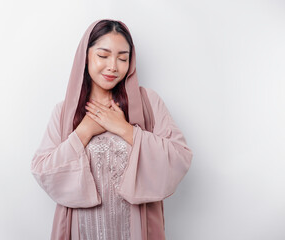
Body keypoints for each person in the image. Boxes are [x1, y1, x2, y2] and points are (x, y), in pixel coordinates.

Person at [30, 18, 193, 240]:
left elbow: (179, 158)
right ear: (85, 57)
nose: (113, 66)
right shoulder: (64, 112)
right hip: (83, 230)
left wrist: (125, 129)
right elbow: (42, 170)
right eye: (103, 56)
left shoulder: (148, 103)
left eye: (123, 58)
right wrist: (84, 132)